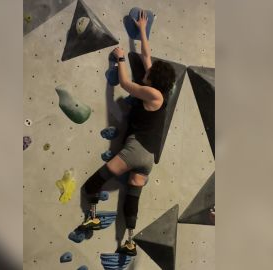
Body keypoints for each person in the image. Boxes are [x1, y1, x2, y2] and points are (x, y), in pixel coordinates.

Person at [79, 9, 176, 256]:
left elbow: (124, 84)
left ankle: (91, 218)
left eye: (149, 74)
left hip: (136, 150)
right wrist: (142, 30)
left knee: (92, 184)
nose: (146, 73)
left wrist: (120, 58)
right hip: (147, 158)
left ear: (154, 79)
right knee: (132, 196)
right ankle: (129, 242)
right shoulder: (161, 93)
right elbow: (146, 55)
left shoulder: (152, 93)